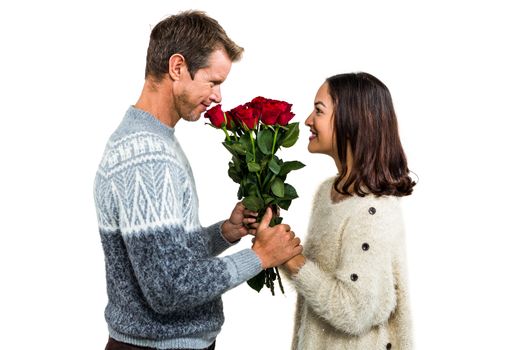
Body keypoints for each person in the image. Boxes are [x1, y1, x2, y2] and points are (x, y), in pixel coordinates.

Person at [93, 11, 302, 350]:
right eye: (213, 81)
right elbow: (169, 288)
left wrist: (224, 233)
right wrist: (260, 257)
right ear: (177, 67)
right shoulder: (146, 156)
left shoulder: (152, 141)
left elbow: (160, 256)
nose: (218, 96)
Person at [282, 72, 415, 349]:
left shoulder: (373, 211)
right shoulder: (327, 192)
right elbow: (317, 286)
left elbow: (354, 310)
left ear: (352, 121)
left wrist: (292, 262)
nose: (308, 120)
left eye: (319, 110)